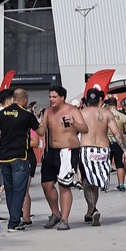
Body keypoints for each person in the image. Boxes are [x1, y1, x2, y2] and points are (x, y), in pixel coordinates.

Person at [0, 87, 40, 229]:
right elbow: (40, 131)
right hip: (19, 156)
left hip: (4, 156)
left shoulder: (2, 113)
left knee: (10, 189)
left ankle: (13, 219)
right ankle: (14, 222)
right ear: (24, 99)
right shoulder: (26, 114)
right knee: (20, 190)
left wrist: (4, 138)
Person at [39, 86, 85, 229]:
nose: (51, 99)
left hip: (68, 151)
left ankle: (64, 219)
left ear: (62, 97)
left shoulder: (72, 110)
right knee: (46, 184)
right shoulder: (48, 111)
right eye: (50, 97)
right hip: (51, 151)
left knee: (64, 185)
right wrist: (30, 122)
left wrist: (73, 122)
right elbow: (41, 130)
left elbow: (85, 129)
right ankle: (55, 213)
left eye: (54, 97)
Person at [78, 87, 115, 226]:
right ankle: (90, 212)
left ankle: (93, 209)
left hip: (86, 149)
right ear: (99, 100)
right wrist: (124, 150)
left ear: (87, 100)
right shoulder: (107, 113)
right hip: (103, 149)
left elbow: (73, 132)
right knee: (96, 182)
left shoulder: (81, 113)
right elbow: (116, 133)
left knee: (87, 181)